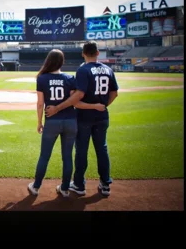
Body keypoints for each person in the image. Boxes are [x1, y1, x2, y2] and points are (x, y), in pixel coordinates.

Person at [28, 49, 106, 198]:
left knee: (44, 156)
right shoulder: (70, 78)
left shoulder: (42, 78)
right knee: (67, 157)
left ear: (48, 61)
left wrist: (39, 122)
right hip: (71, 121)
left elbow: (40, 104)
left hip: (52, 122)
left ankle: (36, 186)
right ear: (62, 62)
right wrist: (95, 106)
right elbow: (76, 101)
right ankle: (64, 189)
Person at [45, 41, 119, 197]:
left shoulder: (83, 70)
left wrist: (58, 108)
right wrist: (103, 105)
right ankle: (105, 184)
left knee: (81, 151)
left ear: (83, 53)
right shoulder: (108, 70)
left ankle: (79, 185)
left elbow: (78, 97)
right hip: (102, 117)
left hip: (84, 117)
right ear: (98, 53)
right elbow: (114, 93)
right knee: (102, 150)